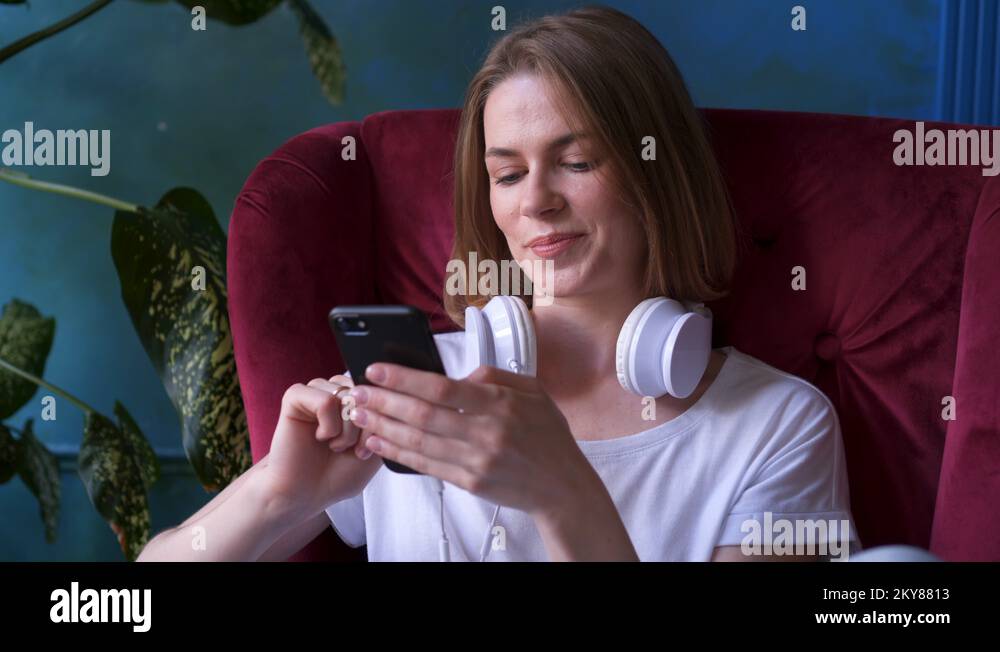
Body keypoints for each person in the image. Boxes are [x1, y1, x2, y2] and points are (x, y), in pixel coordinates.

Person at [138, 5, 858, 562]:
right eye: (507, 173)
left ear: (656, 174)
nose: (534, 201)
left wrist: (562, 493)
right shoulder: (406, 391)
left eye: (576, 162)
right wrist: (279, 493)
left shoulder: (778, 425)